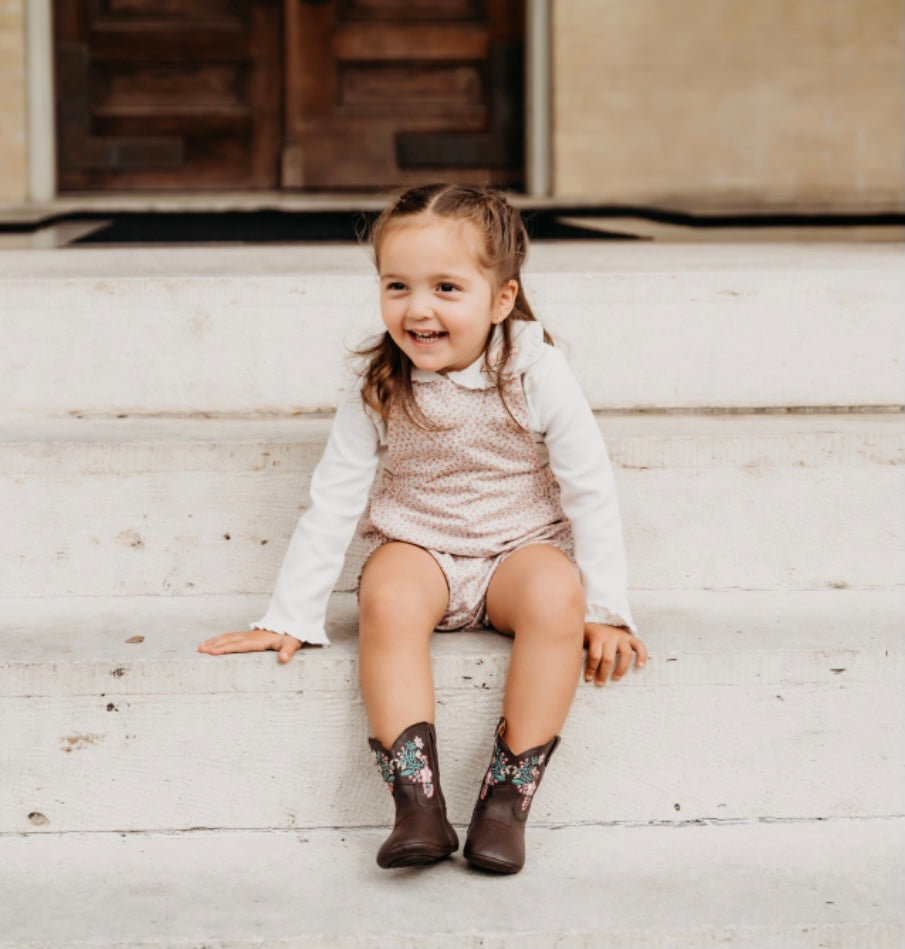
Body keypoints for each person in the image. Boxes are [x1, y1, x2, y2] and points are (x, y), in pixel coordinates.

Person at [199, 184, 647, 874]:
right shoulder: (380, 381)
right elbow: (335, 498)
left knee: (556, 595)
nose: (418, 308)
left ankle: (505, 802)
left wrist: (608, 609)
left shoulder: (533, 368)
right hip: (421, 546)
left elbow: (589, 486)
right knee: (387, 596)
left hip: (515, 551)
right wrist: (289, 614)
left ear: (501, 299)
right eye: (397, 285)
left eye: (446, 287)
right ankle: (417, 805)